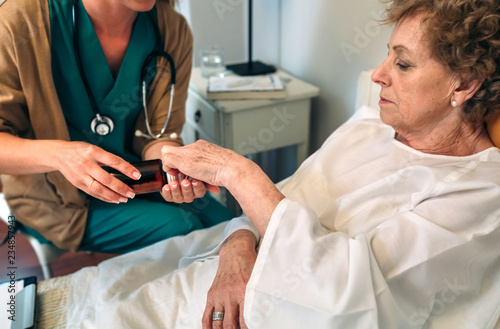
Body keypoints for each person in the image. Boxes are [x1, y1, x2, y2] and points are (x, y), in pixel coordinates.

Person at [66, 0, 500, 328]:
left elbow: (349, 294)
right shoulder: (367, 127)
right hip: (226, 267)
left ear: (464, 84)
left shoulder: (480, 196)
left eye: (402, 63)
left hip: (277, 313)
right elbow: (283, 200)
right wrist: (238, 246)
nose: (377, 74)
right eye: (387, 54)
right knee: (114, 289)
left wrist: (238, 173)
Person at [0, 0, 233, 253]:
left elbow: (158, 134)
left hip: (141, 177)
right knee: (184, 229)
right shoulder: (20, 20)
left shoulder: (171, 29)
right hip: (56, 201)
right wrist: (62, 156)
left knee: (230, 226)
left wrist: (173, 166)